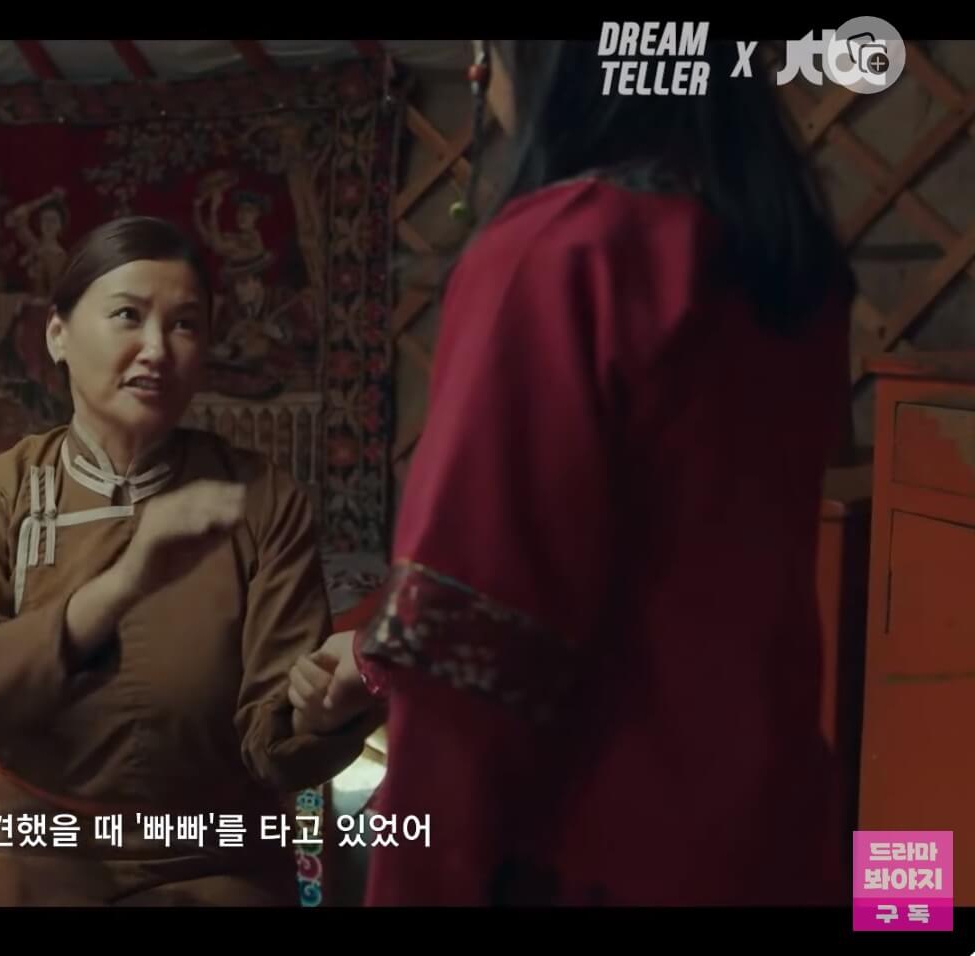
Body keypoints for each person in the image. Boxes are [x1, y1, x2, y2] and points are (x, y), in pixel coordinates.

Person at [292, 39, 855, 907]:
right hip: (771, 843)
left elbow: (470, 640)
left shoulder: (567, 251)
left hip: (591, 853)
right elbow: (659, 580)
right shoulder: (781, 266)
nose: (482, 74)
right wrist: (374, 657)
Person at [0, 216, 381, 906]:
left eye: (185, 325)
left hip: (210, 858)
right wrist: (124, 583)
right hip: (19, 845)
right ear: (58, 334)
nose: (157, 349)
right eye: (128, 315)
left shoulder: (261, 499)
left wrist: (323, 712)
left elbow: (274, 747)